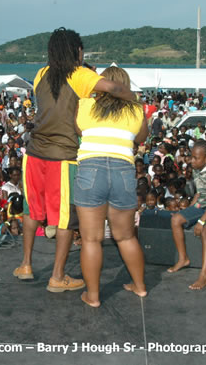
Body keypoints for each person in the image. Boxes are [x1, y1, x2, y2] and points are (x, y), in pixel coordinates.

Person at [13, 28, 134, 293]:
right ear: (77, 51)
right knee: (65, 219)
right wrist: (132, 98)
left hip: (33, 153)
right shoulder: (80, 75)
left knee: (31, 210)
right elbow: (113, 87)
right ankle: (57, 276)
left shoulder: (41, 74)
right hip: (62, 157)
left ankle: (25, 265)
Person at [73, 66, 148, 307]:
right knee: (125, 236)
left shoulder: (86, 104)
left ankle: (93, 297)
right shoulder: (135, 109)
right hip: (123, 172)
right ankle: (140, 286)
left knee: (92, 239)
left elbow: (78, 129)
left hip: (90, 169)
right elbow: (141, 138)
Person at [167, 140, 206, 290]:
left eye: (196, 158)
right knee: (176, 219)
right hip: (202, 204)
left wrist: (201, 221)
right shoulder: (197, 169)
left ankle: (204, 275)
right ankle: (183, 259)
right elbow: (200, 192)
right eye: (191, 157)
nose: (191, 160)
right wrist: (189, 210)